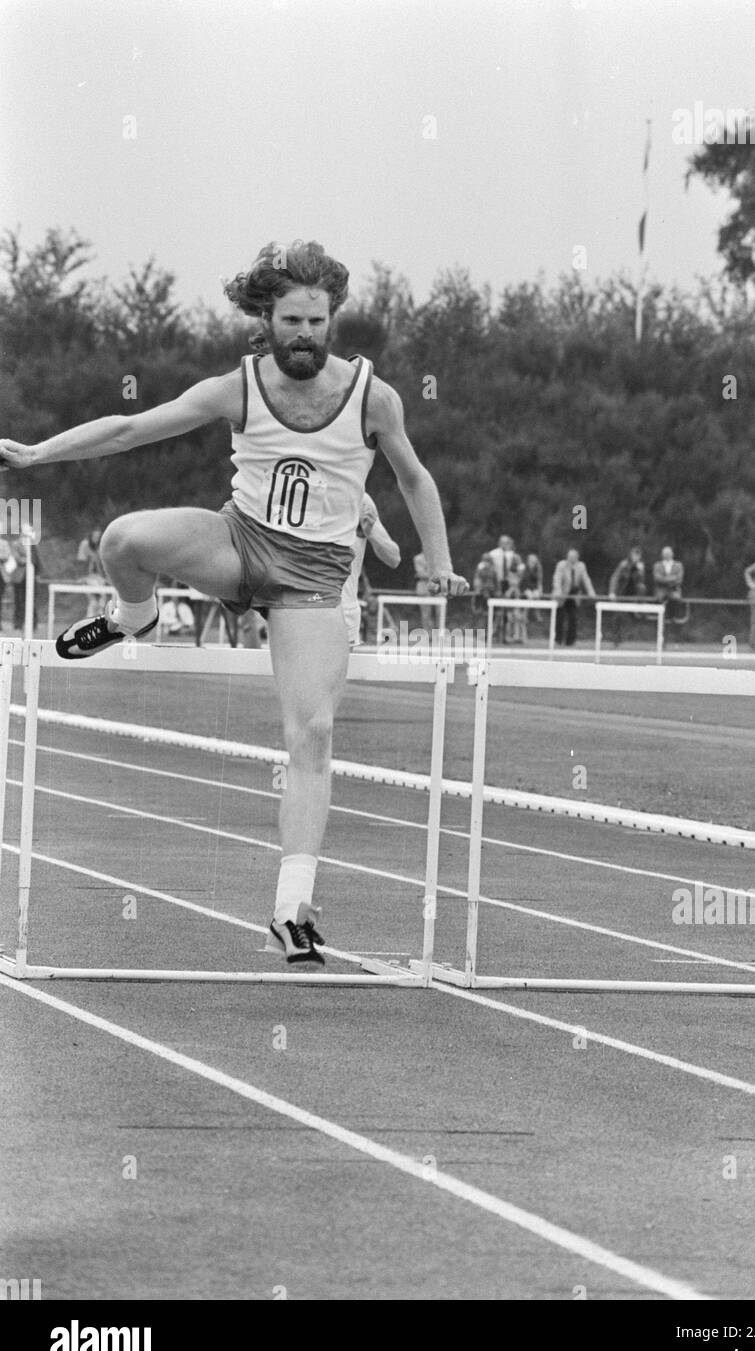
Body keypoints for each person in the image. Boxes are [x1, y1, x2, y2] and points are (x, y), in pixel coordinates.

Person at [0, 238, 467, 968]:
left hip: (313, 578)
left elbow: (414, 477)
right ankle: (134, 618)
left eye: (316, 321)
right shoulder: (238, 388)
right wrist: (35, 455)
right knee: (124, 540)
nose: (305, 334)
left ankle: (292, 907)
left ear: (333, 318)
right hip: (240, 543)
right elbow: (130, 429)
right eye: (291, 321)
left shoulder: (373, 396)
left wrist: (438, 562)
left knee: (310, 733)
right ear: (267, 318)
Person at [342, 492, 400, 646]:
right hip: (296, 604)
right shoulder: (292, 486)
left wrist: (369, 533)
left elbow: (393, 558)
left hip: (343, 610)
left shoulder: (360, 499)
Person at [552, 547, 595, 647]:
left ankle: (570, 641)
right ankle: (558, 640)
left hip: (574, 594)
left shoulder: (581, 566)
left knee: (573, 618)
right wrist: (558, 590)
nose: (571, 558)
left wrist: (591, 591)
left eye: (573, 557)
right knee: (560, 618)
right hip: (562, 594)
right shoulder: (561, 565)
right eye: (569, 556)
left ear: (577, 557)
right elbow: (556, 578)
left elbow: (586, 579)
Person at [608, 544, 647, 646]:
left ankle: (639, 608)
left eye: (638, 555)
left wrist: (640, 570)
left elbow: (641, 582)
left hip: (633, 594)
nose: (636, 557)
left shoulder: (640, 566)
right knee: (617, 617)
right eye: (635, 554)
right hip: (622, 593)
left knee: (642, 588)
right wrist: (612, 592)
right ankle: (616, 639)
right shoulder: (623, 565)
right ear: (631, 555)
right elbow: (615, 578)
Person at [77, 527, 108, 617]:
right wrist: (82, 577)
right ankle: (90, 620)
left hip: (100, 578)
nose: (96, 538)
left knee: (101, 602)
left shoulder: (103, 546)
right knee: (94, 601)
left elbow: (104, 565)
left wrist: (106, 578)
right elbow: (81, 563)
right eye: (94, 536)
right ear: (90, 536)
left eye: (98, 536)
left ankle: (98, 619)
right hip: (89, 577)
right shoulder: (85, 545)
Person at [652, 545, 684, 626]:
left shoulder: (678, 565)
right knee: (660, 598)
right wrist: (672, 578)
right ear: (662, 555)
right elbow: (657, 579)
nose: (667, 555)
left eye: (668, 553)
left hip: (674, 589)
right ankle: (660, 619)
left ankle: (672, 617)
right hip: (661, 590)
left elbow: (679, 580)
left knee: (675, 598)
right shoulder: (657, 565)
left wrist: (665, 579)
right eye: (665, 553)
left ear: (672, 554)